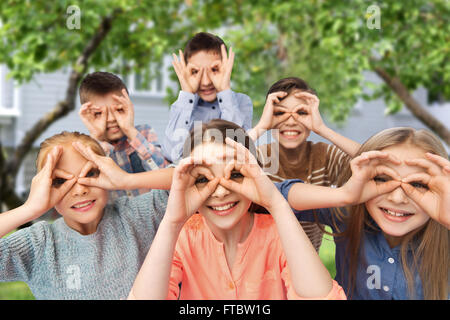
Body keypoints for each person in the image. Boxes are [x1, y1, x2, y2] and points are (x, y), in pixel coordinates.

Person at [128, 120, 346, 300]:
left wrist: (276, 203)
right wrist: (172, 222)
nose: (221, 192)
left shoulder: (277, 234)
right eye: (203, 178)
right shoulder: (182, 238)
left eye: (235, 174)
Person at [276, 127, 450, 299]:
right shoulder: (348, 213)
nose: (398, 198)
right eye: (382, 179)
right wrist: (343, 195)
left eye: (418, 184)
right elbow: (270, 196)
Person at [0, 131, 173, 299]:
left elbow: (193, 179)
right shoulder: (40, 244)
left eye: (90, 173)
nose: (80, 190)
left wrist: (127, 180)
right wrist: (29, 208)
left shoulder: (137, 216)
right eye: (61, 181)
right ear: (44, 188)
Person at [248, 77, 360, 251]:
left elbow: (376, 159)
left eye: (301, 113)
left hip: (307, 263)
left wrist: (322, 128)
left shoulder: (324, 156)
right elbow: (222, 159)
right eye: (279, 113)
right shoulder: (260, 156)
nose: (291, 121)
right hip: (262, 260)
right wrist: (262, 126)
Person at [161, 32, 253, 163]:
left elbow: (235, 153)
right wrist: (187, 93)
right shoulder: (182, 106)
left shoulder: (241, 102)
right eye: (195, 72)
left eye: (214, 70)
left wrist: (224, 90)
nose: (205, 82)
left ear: (227, 68)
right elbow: (173, 155)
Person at [78, 71, 168, 201]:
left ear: (129, 107)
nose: (110, 119)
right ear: (87, 116)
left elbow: (166, 174)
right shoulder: (85, 149)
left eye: (119, 110)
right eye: (99, 113)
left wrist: (130, 130)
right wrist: (96, 137)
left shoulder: (144, 133)